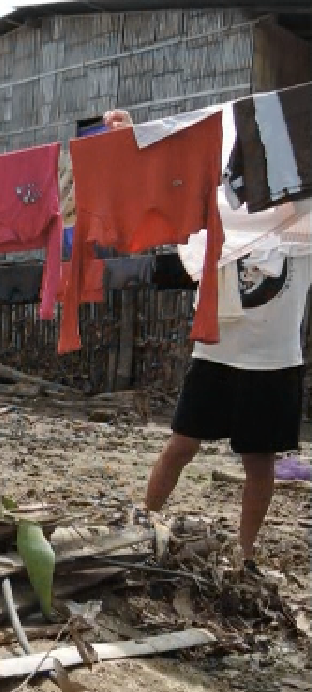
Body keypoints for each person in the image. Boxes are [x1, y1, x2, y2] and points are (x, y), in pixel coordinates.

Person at [98, 109, 311, 574]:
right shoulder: (218, 209)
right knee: (180, 445)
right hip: (216, 352)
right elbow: (165, 182)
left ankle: (246, 554)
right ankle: (145, 522)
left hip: (273, 362)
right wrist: (130, 135)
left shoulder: (303, 219)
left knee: (259, 463)